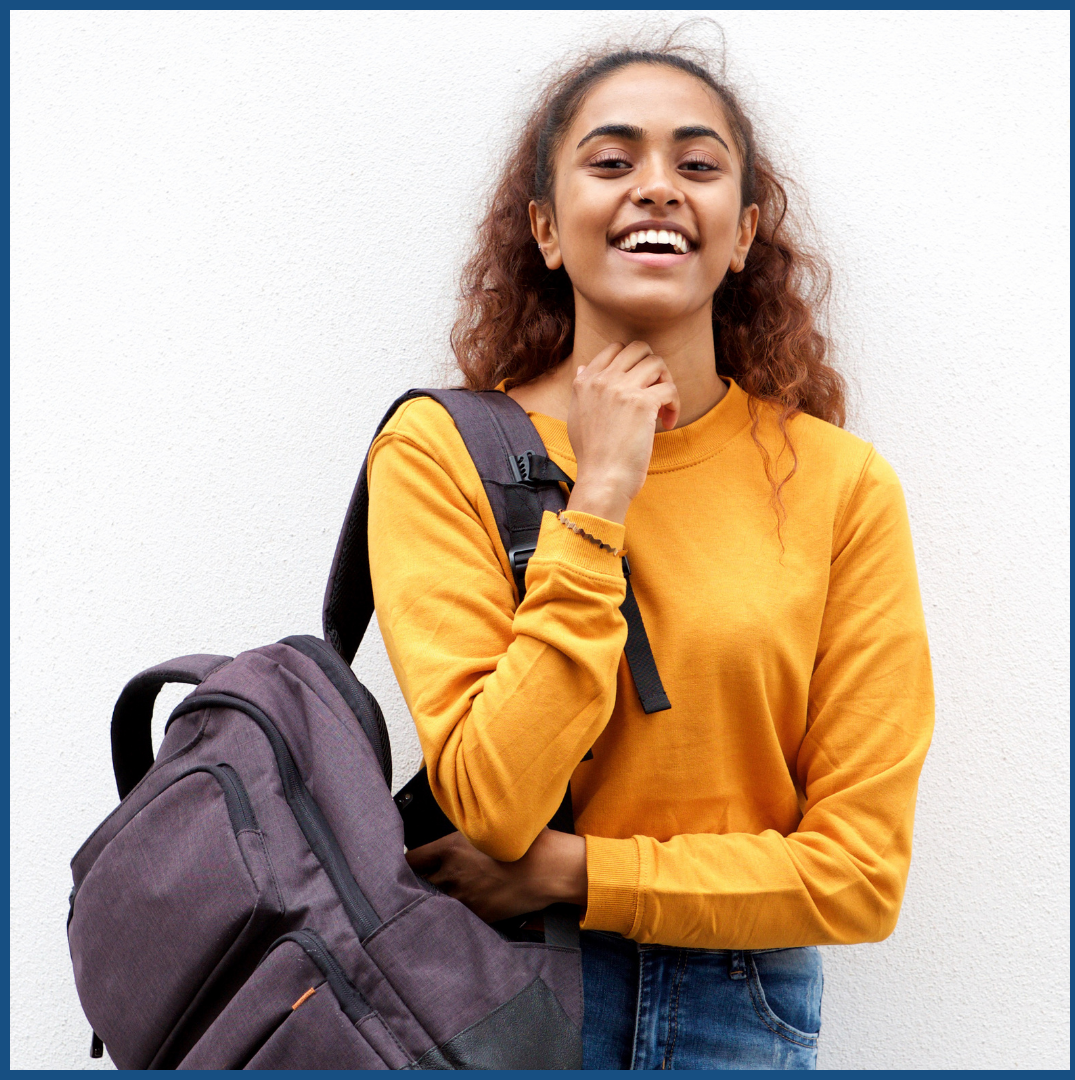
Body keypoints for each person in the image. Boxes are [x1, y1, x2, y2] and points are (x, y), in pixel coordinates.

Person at [366, 38, 934, 1071]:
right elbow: (493, 803)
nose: (658, 189)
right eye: (613, 161)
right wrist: (600, 498)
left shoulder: (842, 485)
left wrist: (579, 872)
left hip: (743, 1008)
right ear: (544, 227)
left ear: (744, 232)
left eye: (699, 165)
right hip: (507, 990)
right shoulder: (441, 452)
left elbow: (859, 875)